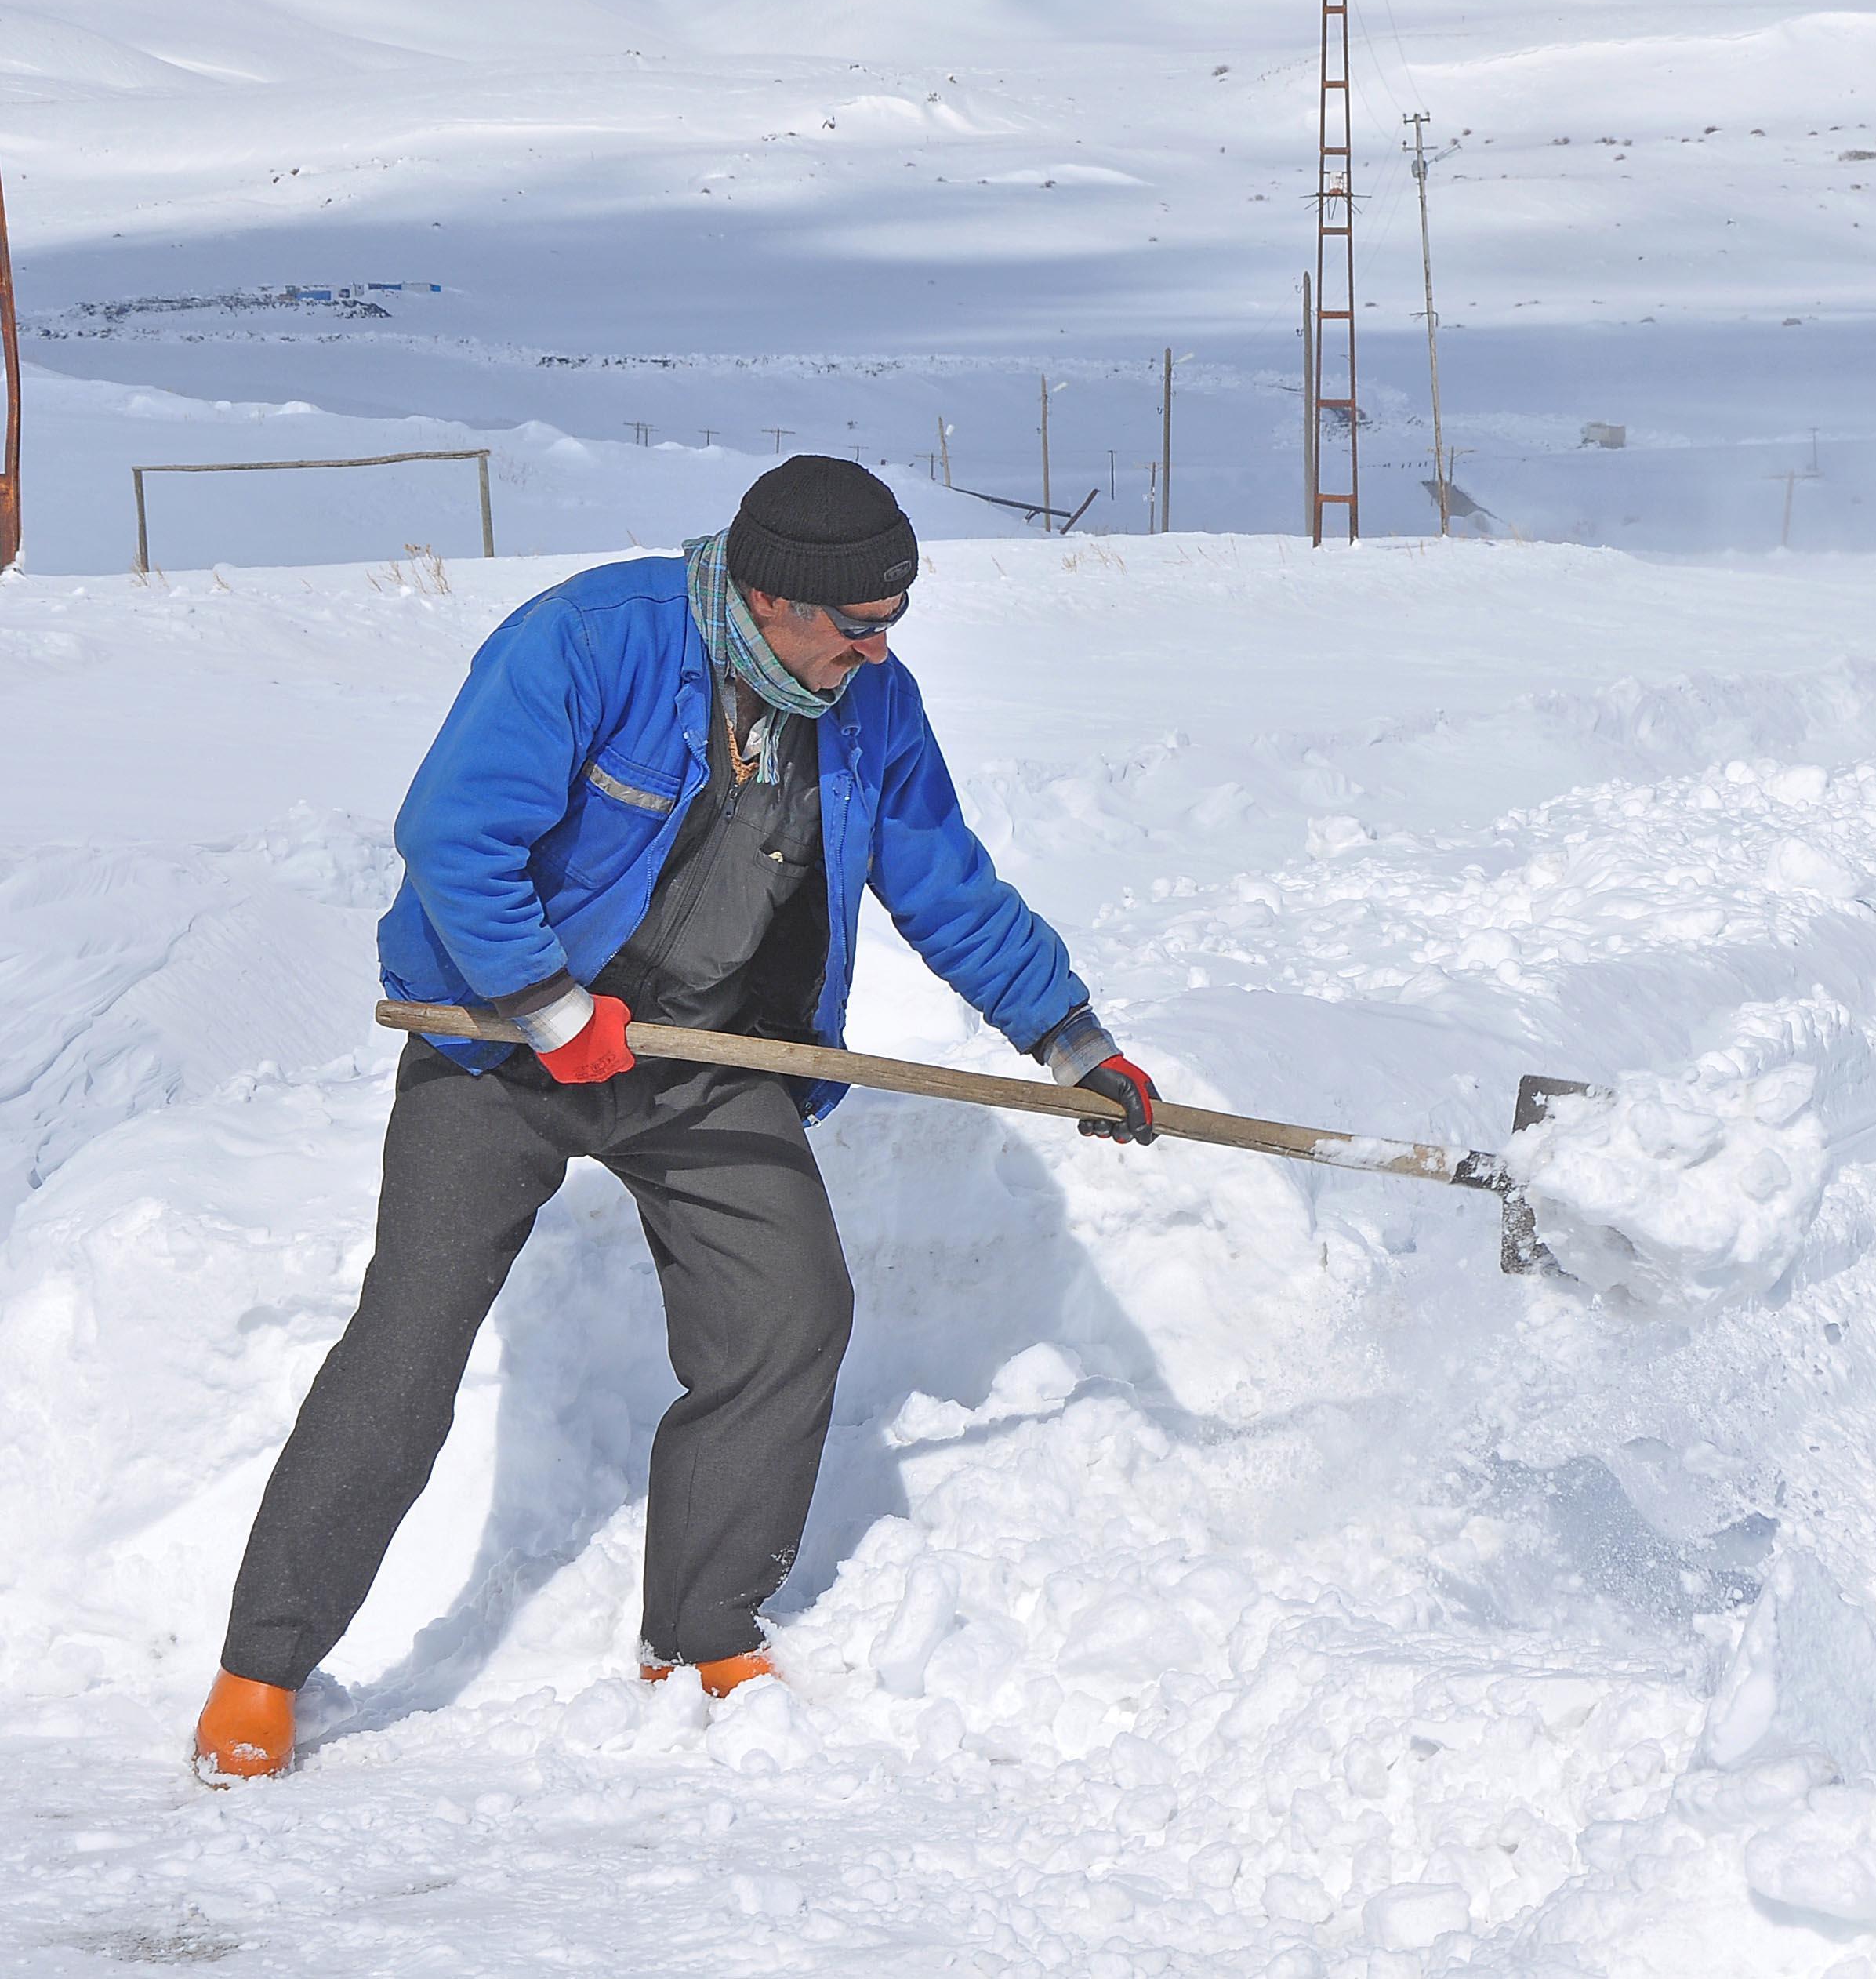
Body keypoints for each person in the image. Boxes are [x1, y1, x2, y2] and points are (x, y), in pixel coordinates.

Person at [193, 457, 1157, 1782]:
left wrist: (1070, 1039)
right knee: (406, 1346)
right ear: (769, 599)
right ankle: (262, 1666)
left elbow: (945, 878)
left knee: (788, 1313)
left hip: (706, 1052)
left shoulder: (870, 703)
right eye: (858, 628)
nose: (878, 655)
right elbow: (455, 833)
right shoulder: (593, 642)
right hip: (501, 1044)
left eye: (897, 626)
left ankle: (703, 1626)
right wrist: (543, 1003)